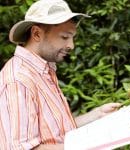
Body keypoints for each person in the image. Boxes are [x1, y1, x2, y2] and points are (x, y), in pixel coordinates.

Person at [0, 0, 121, 149]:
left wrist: (97, 115)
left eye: (72, 38)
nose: (71, 45)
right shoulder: (19, 80)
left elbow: (55, 132)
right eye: (64, 37)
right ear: (37, 34)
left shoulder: (42, 71)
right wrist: (87, 145)